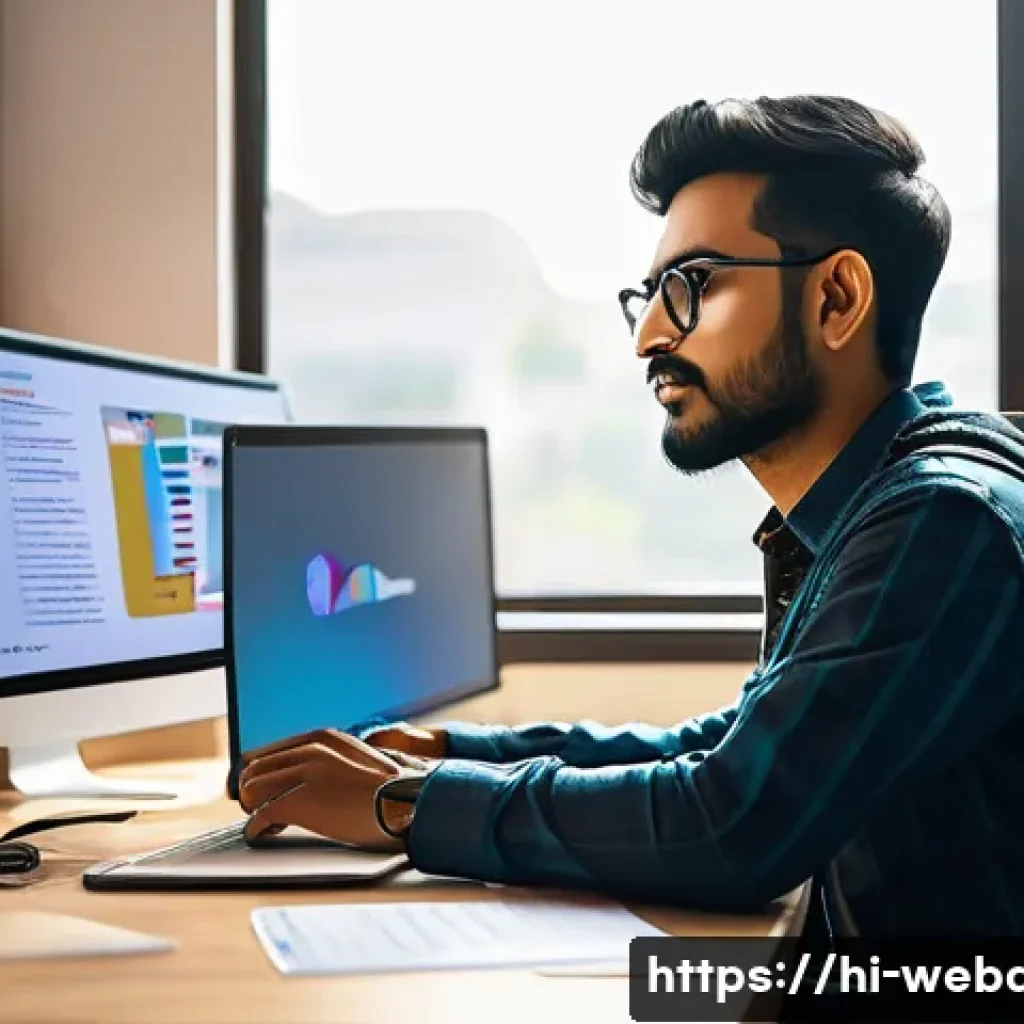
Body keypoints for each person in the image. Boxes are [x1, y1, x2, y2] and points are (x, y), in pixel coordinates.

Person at [238, 95, 1024, 938]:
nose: (648, 334)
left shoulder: (942, 520)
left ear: (836, 298)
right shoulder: (881, 506)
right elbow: (742, 750)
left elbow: (735, 822)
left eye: (692, 284)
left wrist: (403, 804)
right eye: (648, 293)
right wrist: (447, 756)